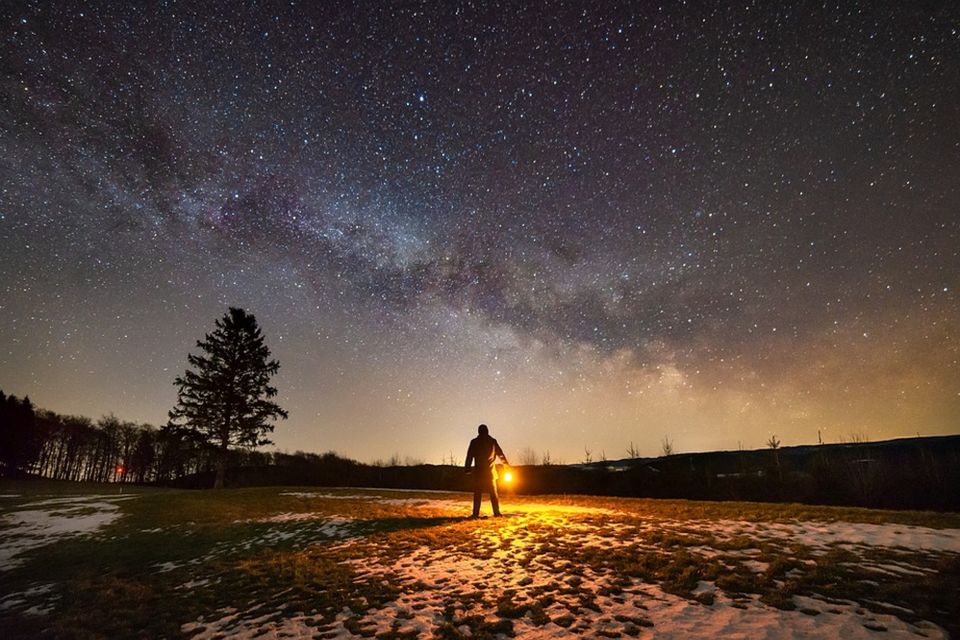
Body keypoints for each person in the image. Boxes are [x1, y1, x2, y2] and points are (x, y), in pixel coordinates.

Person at [464, 423, 510, 518]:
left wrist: (467, 468)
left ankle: (475, 514)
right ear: (487, 431)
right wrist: (506, 465)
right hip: (490, 472)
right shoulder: (492, 441)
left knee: (478, 493)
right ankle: (496, 513)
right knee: (493, 493)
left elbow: (470, 456)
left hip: (479, 472)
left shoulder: (474, 442)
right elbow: (500, 454)